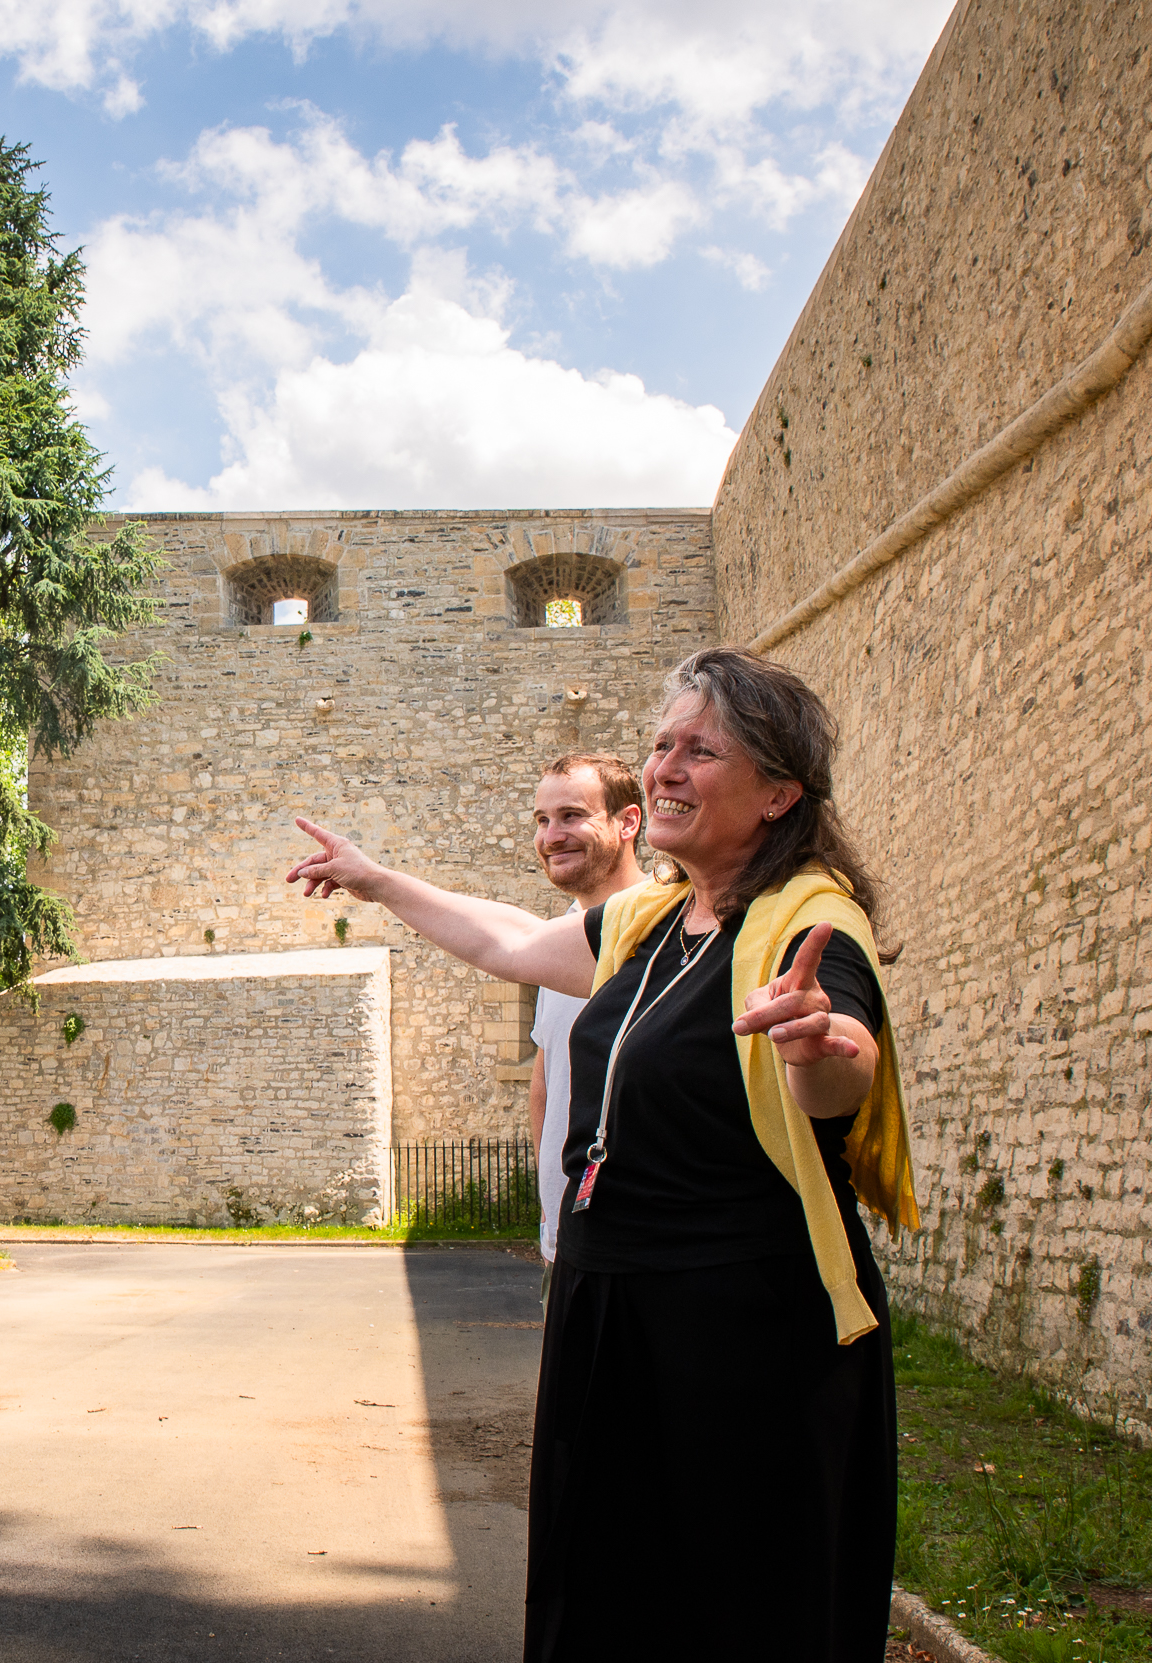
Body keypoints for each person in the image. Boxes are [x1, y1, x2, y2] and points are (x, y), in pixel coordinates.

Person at [288, 645, 914, 1662]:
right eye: (660, 743)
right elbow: (507, 942)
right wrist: (378, 878)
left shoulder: (810, 925)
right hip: (610, 1306)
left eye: (700, 750)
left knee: (731, 1610)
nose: (664, 766)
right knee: (606, 1598)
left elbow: (835, 1063)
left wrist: (820, 1049)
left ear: (776, 793)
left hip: (737, 1330)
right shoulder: (656, 920)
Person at [525, 755, 646, 1277]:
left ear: (628, 822)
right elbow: (546, 1079)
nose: (552, 835)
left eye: (572, 815)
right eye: (542, 820)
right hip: (566, 1241)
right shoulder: (563, 936)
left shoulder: (666, 925)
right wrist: (551, 1200)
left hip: (641, 1246)